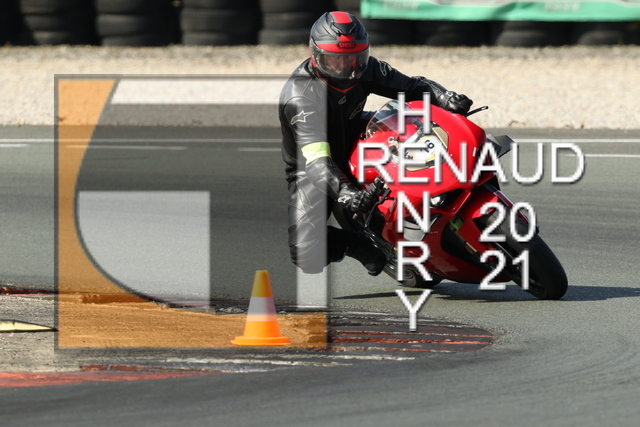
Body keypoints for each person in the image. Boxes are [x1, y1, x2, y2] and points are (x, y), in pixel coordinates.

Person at [279, 11, 473, 276]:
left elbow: (412, 87)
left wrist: (445, 97)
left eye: (353, 58)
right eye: (335, 59)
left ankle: (456, 180)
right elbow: (316, 161)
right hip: (313, 166)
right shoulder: (300, 98)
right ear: (316, 55)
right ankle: (354, 242)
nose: (345, 67)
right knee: (304, 252)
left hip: (358, 131)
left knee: (414, 120)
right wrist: (347, 193)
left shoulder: (366, 68)